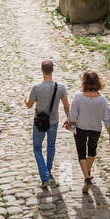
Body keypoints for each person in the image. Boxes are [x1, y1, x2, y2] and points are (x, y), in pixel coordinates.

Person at [25, 59, 70, 191]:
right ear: (53, 70)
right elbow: (67, 106)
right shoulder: (60, 87)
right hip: (54, 122)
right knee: (51, 145)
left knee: (37, 148)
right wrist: (70, 120)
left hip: (39, 122)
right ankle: (48, 169)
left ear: (41, 70)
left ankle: (44, 177)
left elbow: (29, 105)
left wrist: (25, 100)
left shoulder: (36, 88)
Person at [69, 69, 110, 194]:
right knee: (92, 151)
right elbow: (106, 118)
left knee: (81, 154)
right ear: (97, 82)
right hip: (95, 129)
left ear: (84, 82)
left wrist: (71, 122)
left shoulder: (78, 96)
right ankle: (87, 177)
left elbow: (72, 116)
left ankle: (87, 177)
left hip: (81, 128)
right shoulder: (102, 99)